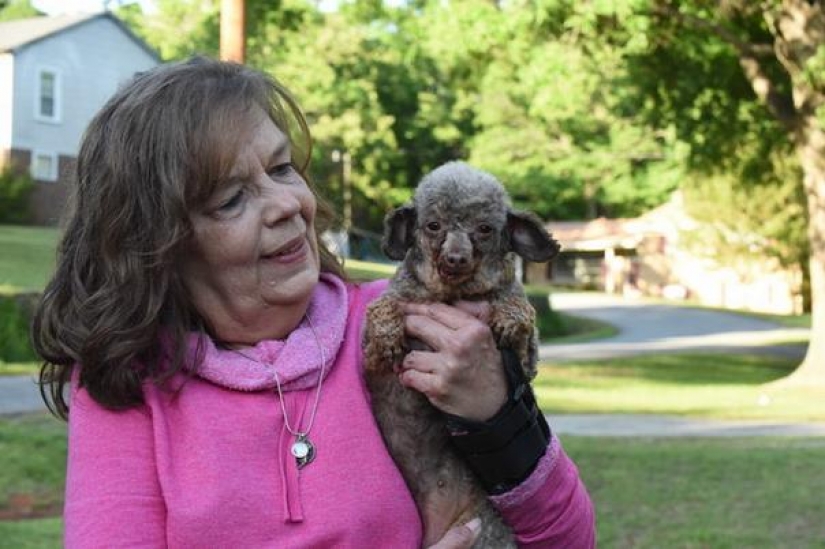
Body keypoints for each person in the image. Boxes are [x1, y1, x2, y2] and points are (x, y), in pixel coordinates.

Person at [32, 56, 595, 548]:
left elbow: (568, 539)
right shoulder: (127, 379)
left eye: (281, 168)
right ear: (159, 243)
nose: (286, 204)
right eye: (231, 199)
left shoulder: (401, 322)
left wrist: (501, 417)